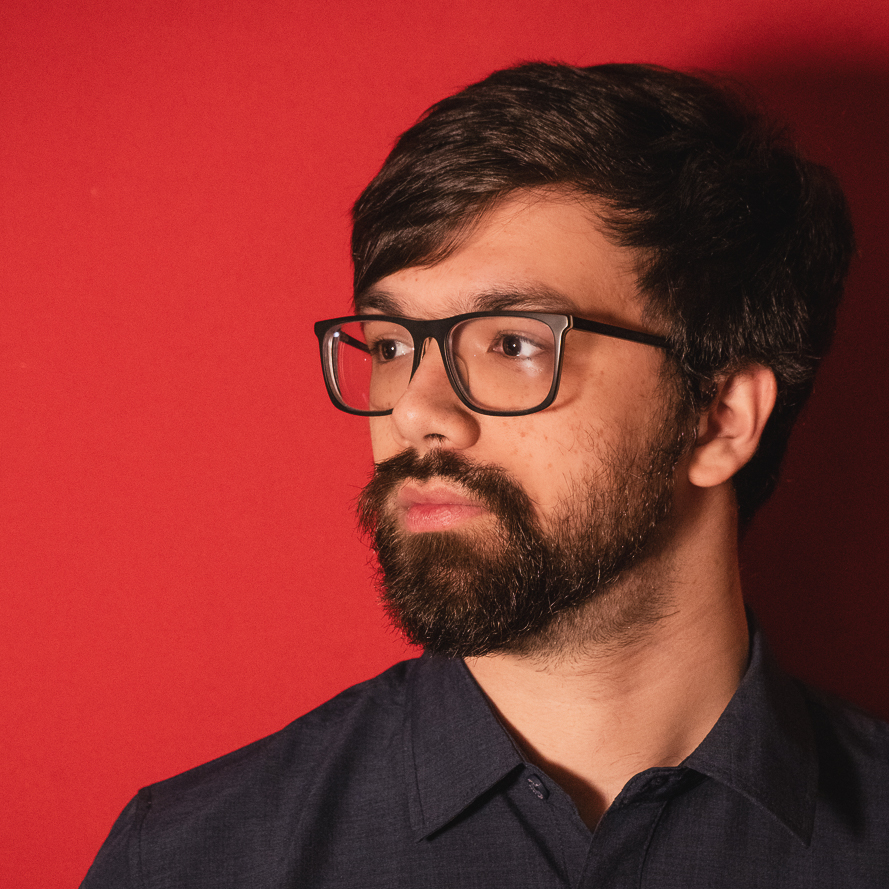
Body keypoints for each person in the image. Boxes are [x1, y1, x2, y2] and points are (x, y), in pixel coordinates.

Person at [81, 62, 889, 888]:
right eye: (391, 345)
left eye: (511, 343)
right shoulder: (189, 861)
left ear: (718, 416)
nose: (414, 410)